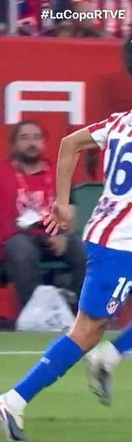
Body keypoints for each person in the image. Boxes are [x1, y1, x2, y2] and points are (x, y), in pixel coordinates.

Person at [0, 64, 132, 441]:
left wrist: (62, 203)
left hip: (118, 236)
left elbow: (69, 144)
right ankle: (13, 400)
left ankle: (108, 359)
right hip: (119, 246)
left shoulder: (125, 120)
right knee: (86, 331)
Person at [0, 121, 86, 310]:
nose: (31, 143)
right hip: (16, 238)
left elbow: (70, 208)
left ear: (44, 143)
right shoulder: (2, 172)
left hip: (53, 234)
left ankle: (75, 312)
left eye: (36, 138)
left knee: (83, 250)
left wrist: (63, 236)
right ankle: (37, 314)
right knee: (20, 248)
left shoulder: (58, 173)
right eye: (24, 138)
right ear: (13, 144)